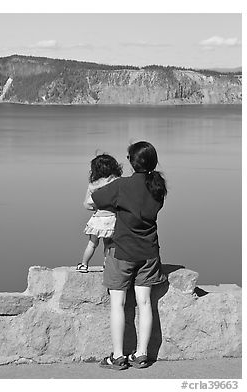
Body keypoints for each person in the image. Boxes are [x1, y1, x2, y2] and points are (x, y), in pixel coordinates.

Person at [91, 141, 168, 370]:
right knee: (145, 303)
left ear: (131, 162)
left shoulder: (122, 186)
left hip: (122, 251)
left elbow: (95, 199)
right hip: (149, 253)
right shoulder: (157, 187)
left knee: (118, 303)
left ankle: (117, 357)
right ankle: (141, 355)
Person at [77, 154, 123, 273]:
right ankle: (106, 265)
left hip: (98, 219)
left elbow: (87, 204)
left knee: (92, 244)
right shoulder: (116, 181)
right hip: (112, 218)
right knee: (108, 245)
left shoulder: (93, 185)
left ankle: (84, 265)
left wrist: (96, 207)